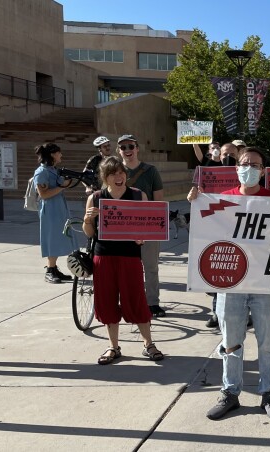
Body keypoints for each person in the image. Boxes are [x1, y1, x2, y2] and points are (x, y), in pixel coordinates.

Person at [197, 147, 270, 420]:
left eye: (255, 164)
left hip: (266, 283)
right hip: (232, 284)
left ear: (263, 170)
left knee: (268, 343)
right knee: (230, 342)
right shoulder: (221, 200)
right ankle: (230, 393)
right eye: (244, 163)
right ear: (236, 168)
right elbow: (205, 229)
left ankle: (268, 393)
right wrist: (195, 201)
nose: (249, 168)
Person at [82, 156, 164, 365]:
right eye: (113, 174)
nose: (118, 177)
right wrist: (88, 219)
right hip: (104, 254)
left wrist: (142, 236)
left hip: (129, 255)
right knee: (107, 300)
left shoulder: (138, 195)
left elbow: (148, 227)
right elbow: (89, 233)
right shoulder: (96, 198)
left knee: (136, 298)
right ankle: (113, 346)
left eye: (121, 173)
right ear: (105, 177)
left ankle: (148, 344)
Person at [116, 135, 166, 317]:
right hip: (121, 227)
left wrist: (152, 224)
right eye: (123, 147)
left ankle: (152, 302)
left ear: (137, 148)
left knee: (150, 266)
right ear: (118, 151)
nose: (127, 150)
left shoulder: (150, 171)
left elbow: (158, 199)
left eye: (130, 146)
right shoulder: (115, 171)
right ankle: (127, 303)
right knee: (124, 268)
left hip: (146, 225)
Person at [33, 142, 79, 283]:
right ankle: (49, 270)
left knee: (60, 238)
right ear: (53, 154)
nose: (61, 155)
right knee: (52, 239)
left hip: (59, 208)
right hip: (50, 210)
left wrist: (69, 181)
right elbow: (44, 194)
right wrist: (62, 186)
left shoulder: (53, 169)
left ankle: (53, 268)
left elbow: (63, 184)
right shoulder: (41, 172)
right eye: (59, 152)